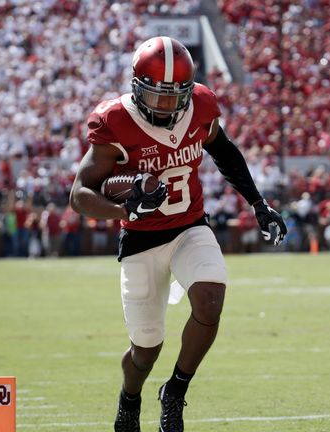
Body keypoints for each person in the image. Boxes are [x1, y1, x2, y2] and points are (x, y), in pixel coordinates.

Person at [70, 36, 287, 432]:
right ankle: (129, 398)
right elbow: (79, 194)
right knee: (145, 349)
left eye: (176, 97)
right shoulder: (114, 121)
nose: (169, 107)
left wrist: (258, 203)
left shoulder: (201, 106)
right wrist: (123, 208)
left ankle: (175, 391)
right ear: (138, 89)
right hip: (140, 239)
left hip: (189, 226)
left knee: (210, 299)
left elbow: (224, 151)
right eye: (159, 97)